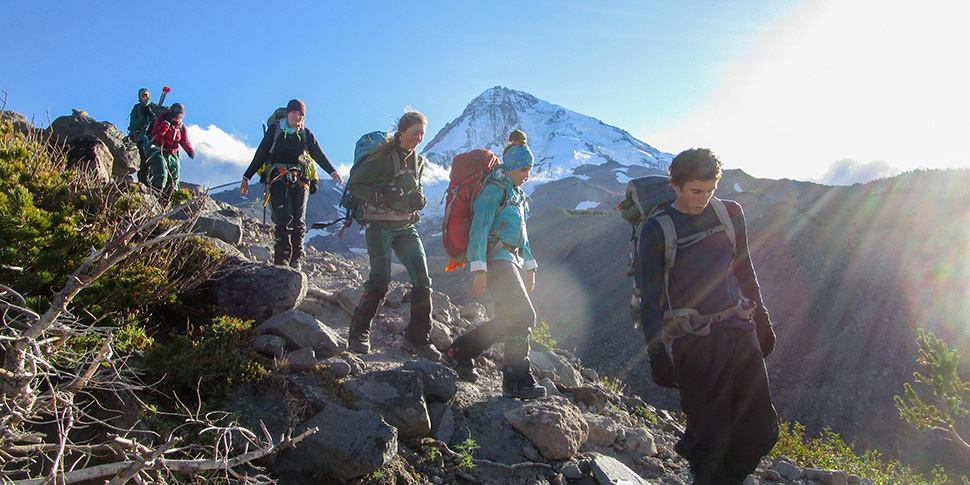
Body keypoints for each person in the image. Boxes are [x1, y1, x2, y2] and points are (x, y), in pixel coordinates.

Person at [636, 148, 778, 484]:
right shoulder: (657, 230)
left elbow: (745, 268)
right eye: (695, 191)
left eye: (710, 190)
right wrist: (658, 355)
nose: (703, 199)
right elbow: (650, 298)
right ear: (676, 185)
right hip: (694, 342)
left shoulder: (730, 213)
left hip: (740, 329)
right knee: (708, 438)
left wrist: (763, 320)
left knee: (762, 430)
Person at [443, 130, 546, 400]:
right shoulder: (493, 190)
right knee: (523, 316)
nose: (527, 174)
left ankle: (459, 352)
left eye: (530, 169)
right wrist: (479, 269)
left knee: (506, 322)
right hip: (495, 261)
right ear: (511, 166)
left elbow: (522, 236)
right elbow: (479, 229)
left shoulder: (518, 195)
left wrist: (530, 267)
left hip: (511, 261)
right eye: (524, 169)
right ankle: (516, 380)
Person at [345, 111, 440, 361]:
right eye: (414, 133)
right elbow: (355, 185)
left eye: (422, 134)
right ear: (401, 132)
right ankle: (359, 332)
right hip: (380, 225)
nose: (418, 139)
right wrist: (380, 195)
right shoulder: (382, 158)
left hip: (406, 226)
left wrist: (419, 197)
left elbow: (415, 186)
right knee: (380, 280)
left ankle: (418, 337)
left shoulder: (417, 161)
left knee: (423, 280)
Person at [241, 99, 343, 270]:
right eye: (294, 113)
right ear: (288, 113)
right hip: (278, 177)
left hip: (301, 178)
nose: (297, 117)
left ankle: (296, 259)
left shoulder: (306, 133)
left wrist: (332, 171)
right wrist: (247, 176)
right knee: (284, 218)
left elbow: (317, 153)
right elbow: (262, 152)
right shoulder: (275, 130)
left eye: (301, 115)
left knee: (299, 221)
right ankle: (281, 258)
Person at [146, 103, 194, 195]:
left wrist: (190, 151)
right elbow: (157, 134)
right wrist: (167, 123)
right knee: (162, 174)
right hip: (159, 151)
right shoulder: (160, 120)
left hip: (173, 154)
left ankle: (171, 197)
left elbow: (184, 140)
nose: (177, 118)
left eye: (180, 117)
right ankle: (155, 194)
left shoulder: (180, 127)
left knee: (175, 176)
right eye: (176, 116)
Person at [127, 88, 159, 184]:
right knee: (144, 162)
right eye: (143, 96)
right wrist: (143, 117)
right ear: (140, 97)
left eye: (147, 95)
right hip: (141, 139)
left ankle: (150, 181)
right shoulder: (137, 109)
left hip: (154, 139)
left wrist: (153, 115)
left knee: (155, 162)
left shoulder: (155, 107)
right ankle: (143, 181)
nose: (145, 98)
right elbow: (132, 126)